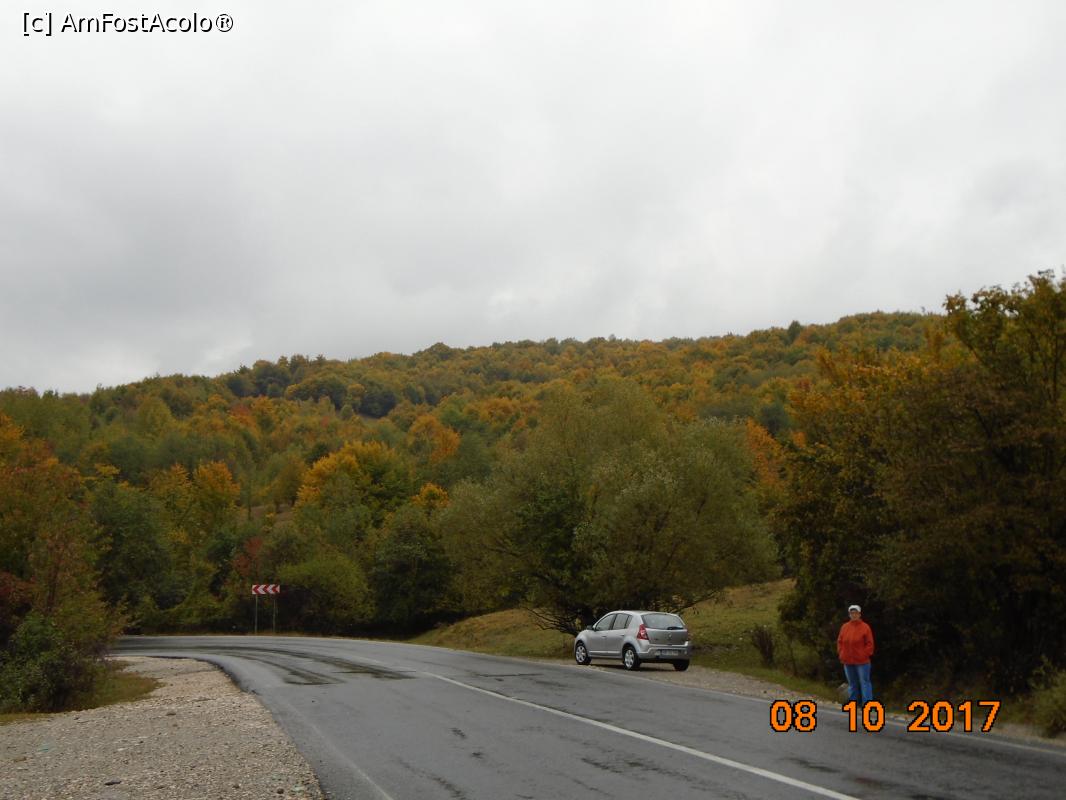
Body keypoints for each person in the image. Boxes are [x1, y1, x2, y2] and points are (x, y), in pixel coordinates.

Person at [837, 604, 874, 706]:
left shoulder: (865, 627)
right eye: (852, 613)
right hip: (847, 660)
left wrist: (864, 655)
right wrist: (841, 653)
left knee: (864, 683)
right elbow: (840, 641)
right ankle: (853, 703)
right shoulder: (844, 627)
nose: (854, 615)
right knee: (852, 683)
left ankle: (867, 704)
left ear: (859, 614)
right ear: (849, 615)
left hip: (862, 662)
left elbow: (870, 644)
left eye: (856, 613)